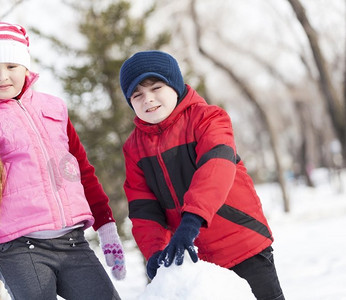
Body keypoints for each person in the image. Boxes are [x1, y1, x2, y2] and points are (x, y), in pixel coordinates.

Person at [0, 22, 125, 300]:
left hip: (73, 243)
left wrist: (106, 228)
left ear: (25, 67)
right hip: (18, 249)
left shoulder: (54, 108)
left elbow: (82, 170)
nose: (2, 76)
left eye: (11, 66)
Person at [119, 50, 284, 300]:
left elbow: (215, 167)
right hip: (195, 260)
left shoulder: (208, 118)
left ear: (174, 85)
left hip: (241, 244)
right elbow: (144, 207)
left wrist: (191, 221)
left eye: (156, 87)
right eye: (137, 94)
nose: (148, 99)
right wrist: (154, 251)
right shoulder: (134, 148)